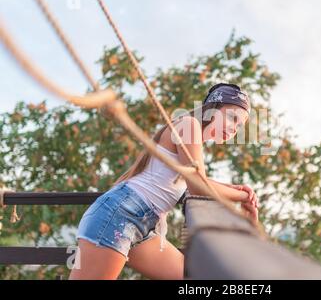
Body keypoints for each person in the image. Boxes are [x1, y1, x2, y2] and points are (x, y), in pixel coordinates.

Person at [69, 83, 259, 280]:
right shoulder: (189, 125)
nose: (234, 128)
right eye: (231, 117)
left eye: (239, 125)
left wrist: (234, 189)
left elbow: (194, 179)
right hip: (119, 216)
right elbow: (198, 186)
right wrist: (243, 196)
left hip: (144, 224)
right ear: (213, 108)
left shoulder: (191, 133)